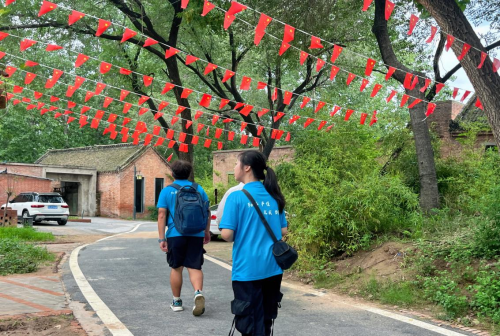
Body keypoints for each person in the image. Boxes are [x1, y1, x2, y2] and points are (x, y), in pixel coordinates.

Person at [219, 150, 288, 336]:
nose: (234, 167)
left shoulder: (237, 197)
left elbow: (227, 235)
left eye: (236, 163)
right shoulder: (274, 196)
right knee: (266, 320)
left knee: (249, 323)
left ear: (247, 167)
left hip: (248, 270)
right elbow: (283, 230)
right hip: (273, 268)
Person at [157, 160, 211, 316]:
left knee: (176, 267)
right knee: (195, 267)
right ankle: (198, 292)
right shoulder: (198, 189)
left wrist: (162, 239)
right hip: (196, 234)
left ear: (172, 173)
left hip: (175, 234)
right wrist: (206, 231)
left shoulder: (167, 191)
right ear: (189, 174)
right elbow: (207, 212)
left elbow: (161, 215)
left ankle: (177, 302)